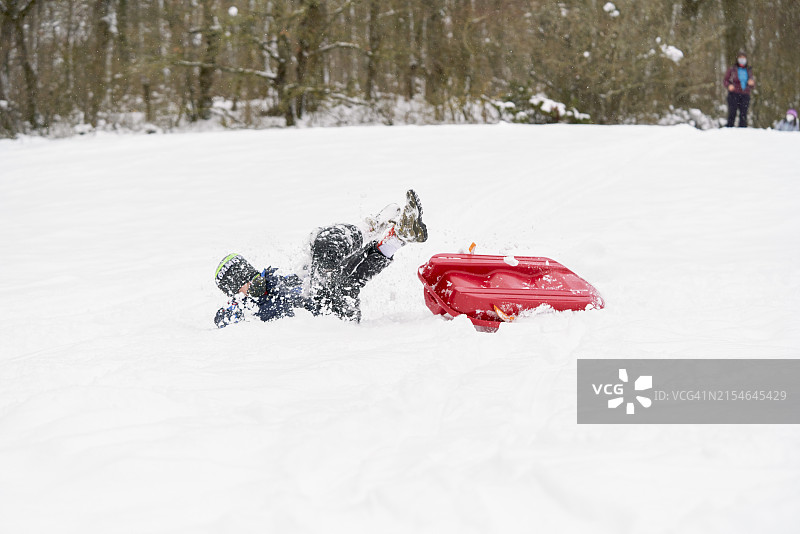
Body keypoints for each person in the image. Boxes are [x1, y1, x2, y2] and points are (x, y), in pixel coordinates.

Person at [213, 190, 428, 328]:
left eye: (253, 277)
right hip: (328, 319)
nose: (253, 283)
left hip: (332, 304)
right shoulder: (245, 310)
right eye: (244, 284)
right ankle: (372, 226)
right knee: (328, 257)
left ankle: (399, 236)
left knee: (330, 251)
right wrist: (239, 304)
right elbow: (221, 320)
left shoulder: (276, 280)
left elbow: (305, 278)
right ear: (235, 292)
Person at [723, 50, 755, 128]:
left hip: (745, 94)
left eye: (744, 58)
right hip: (734, 94)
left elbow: (752, 83)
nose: (742, 60)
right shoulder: (732, 69)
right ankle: (729, 129)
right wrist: (729, 85)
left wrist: (752, 83)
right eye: (740, 58)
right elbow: (725, 80)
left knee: (743, 114)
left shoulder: (749, 70)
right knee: (732, 113)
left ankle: (743, 130)